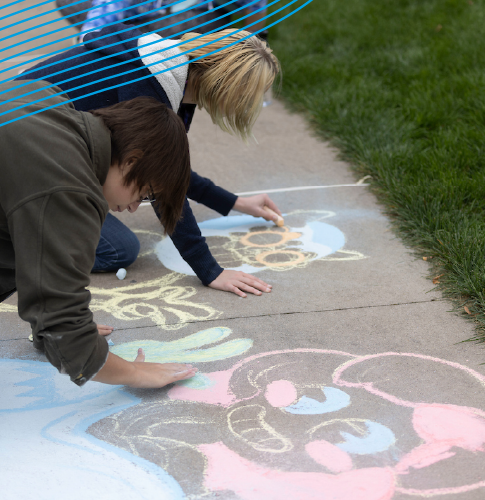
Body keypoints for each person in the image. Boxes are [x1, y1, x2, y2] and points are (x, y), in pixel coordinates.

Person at [17, 24, 282, 298]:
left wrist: (233, 202)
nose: (249, 105)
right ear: (224, 85)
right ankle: (18, 246)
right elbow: (159, 184)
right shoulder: (149, 86)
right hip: (24, 162)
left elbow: (168, 171)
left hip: (36, 147)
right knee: (118, 249)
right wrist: (210, 270)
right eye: (249, 96)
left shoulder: (168, 69)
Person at [0, 80, 197, 388]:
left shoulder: (44, 97)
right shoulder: (69, 189)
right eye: (144, 193)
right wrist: (134, 373)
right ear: (132, 160)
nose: (134, 208)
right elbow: (65, 330)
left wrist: (49, 321)